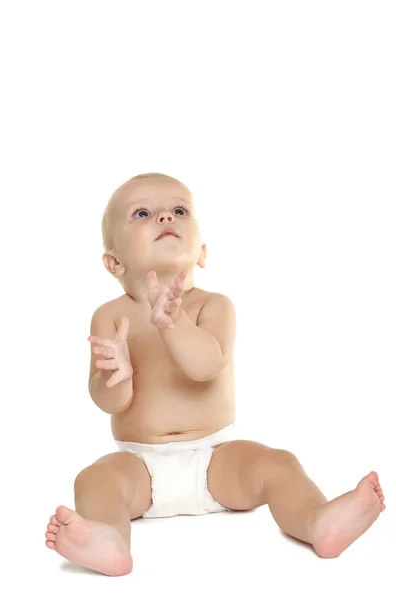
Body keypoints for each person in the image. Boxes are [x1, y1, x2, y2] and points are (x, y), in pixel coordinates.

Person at [44, 173, 386, 576]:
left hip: (215, 459)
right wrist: (117, 377)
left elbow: (205, 367)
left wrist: (173, 323)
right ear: (114, 261)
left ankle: (317, 521)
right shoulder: (109, 317)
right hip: (139, 463)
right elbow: (108, 402)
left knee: (277, 464)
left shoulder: (214, 306)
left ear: (201, 252)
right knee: (94, 480)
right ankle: (109, 541)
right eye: (142, 213)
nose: (164, 217)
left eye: (179, 210)